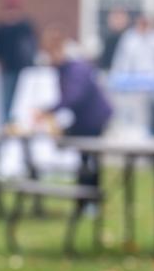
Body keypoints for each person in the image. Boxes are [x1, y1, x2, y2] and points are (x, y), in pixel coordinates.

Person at [33, 23, 112, 190]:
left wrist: (48, 111)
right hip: (84, 119)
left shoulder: (76, 68)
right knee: (84, 157)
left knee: (90, 158)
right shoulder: (65, 68)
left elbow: (74, 97)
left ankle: (90, 197)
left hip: (94, 119)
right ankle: (85, 197)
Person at [0, 0, 38, 122]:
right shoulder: (1, 28)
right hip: (8, 70)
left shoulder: (25, 26)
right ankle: (8, 125)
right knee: (8, 100)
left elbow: (32, 46)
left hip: (25, 69)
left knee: (24, 99)